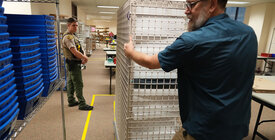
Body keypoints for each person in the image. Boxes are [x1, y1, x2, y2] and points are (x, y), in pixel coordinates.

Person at [124, 0, 258, 139]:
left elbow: (151, 62)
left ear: (212, 5)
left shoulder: (192, 41)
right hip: (236, 130)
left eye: (191, 5)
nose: (186, 11)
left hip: (203, 131)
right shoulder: (248, 34)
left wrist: (131, 52)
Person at [62, 17, 93, 110]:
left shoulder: (73, 35)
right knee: (78, 83)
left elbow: (79, 47)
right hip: (73, 64)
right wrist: (84, 57)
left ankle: (71, 100)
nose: (76, 27)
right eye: (73, 25)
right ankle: (82, 103)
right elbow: (74, 51)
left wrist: (83, 56)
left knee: (71, 82)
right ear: (68, 25)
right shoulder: (68, 37)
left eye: (76, 25)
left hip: (75, 62)